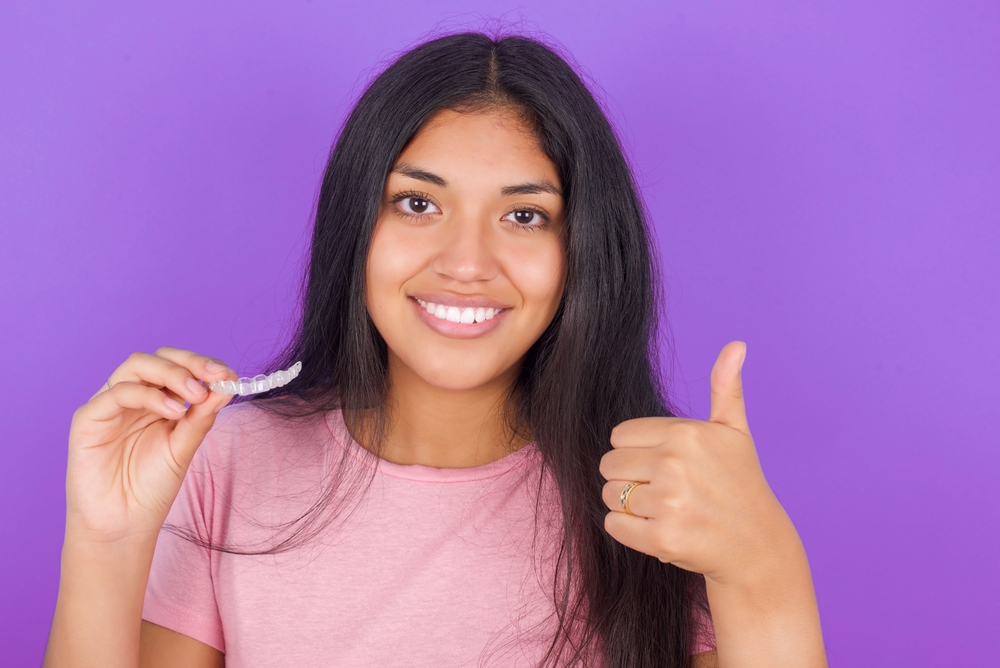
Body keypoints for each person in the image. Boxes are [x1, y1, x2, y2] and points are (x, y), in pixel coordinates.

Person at [43, 31, 827, 668]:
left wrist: (766, 568)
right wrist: (107, 541)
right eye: (417, 203)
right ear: (358, 229)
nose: (466, 261)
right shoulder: (229, 461)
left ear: (584, 251)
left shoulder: (660, 498)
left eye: (524, 217)